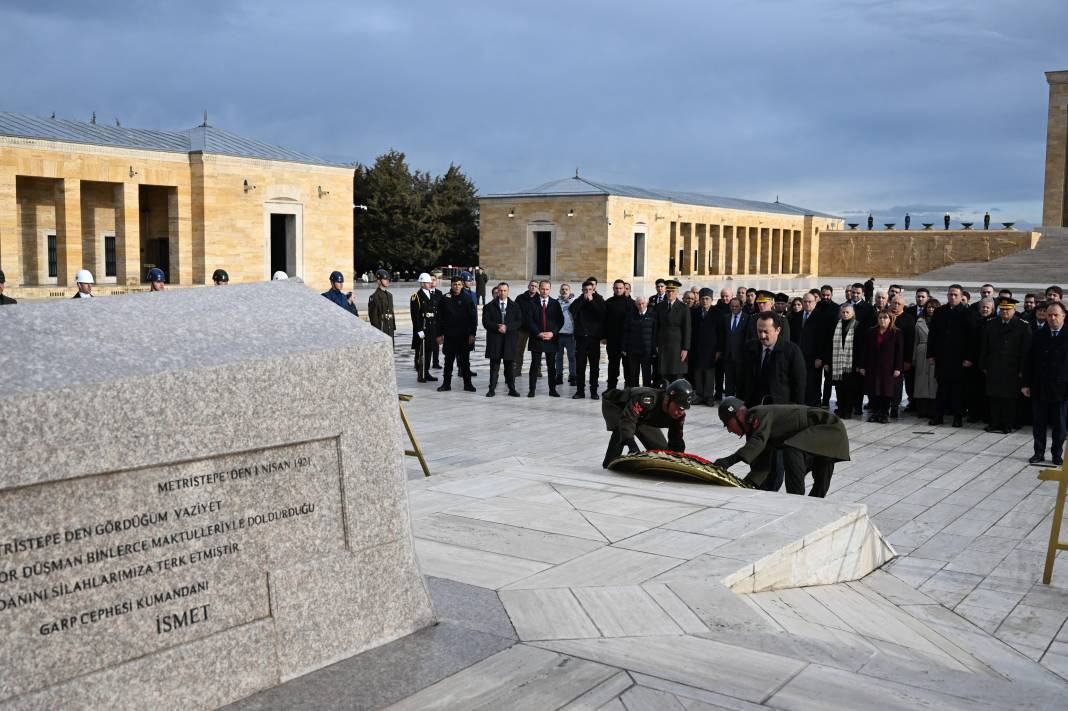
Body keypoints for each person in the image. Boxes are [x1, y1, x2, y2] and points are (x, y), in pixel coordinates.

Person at [713, 397, 849, 497]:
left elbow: (757, 442)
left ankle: (795, 500)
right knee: (818, 473)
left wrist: (729, 461)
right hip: (828, 434)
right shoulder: (762, 430)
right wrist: (744, 487)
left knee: (791, 450)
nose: (729, 430)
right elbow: (762, 466)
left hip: (829, 428)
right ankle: (809, 505)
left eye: (728, 424)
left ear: (738, 415)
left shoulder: (758, 414)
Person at [600, 379, 690, 468]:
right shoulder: (648, 399)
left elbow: (676, 438)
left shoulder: (679, 415)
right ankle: (609, 462)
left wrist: (678, 458)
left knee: (662, 453)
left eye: (683, 409)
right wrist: (632, 446)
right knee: (621, 428)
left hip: (642, 418)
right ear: (667, 399)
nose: (680, 412)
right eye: (678, 407)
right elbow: (628, 419)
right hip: (617, 405)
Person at [1022, 301, 1067, 465]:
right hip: (1040, 387)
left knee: (1060, 426)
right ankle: (1038, 453)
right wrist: (1025, 384)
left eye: (1056, 315)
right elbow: (1029, 361)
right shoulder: (1039, 334)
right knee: (1039, 424)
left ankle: (1057, 454)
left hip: (1061, 388)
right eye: (1049, 315)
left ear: (1063, 316)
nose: (1052, 318)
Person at [981, 298, 1031, 434]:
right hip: (994, 367)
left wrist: (1022, 370)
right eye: (1002, 309)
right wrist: (984, 364)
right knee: (994, 396)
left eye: (1007, 309)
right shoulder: (992, 324)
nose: (1004, 312)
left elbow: (1025, 351)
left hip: (1012, 368)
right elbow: (984, 346)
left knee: (1009, 398)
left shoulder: (1022, 325)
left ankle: (1007, 424)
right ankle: (994, 423)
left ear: (1014, 310)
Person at [928, 284, 971, 427]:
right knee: (941, 389)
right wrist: (931, 354)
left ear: (960, 296)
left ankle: (957, 418)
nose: (952, 297)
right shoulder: (940, 312)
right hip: (942, 357)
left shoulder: (967, 313)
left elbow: (972, 338)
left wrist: (968, 358)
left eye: (956, 295)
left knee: (957, 391)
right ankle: (938, 416)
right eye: (950, 294)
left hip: (959, 359)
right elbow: (932, 335)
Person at [858, 309, 903, 423]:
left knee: (886, 391)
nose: (882, 320)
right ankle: (875, 413)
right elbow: (864, 350)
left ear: (890, 319)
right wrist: (862, 365)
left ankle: (884, 413)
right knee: (874, 390)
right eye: (880, 317)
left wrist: (898, 367)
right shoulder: (871, 331)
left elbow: (899, 352)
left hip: (888, 367)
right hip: (872, 366)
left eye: (885, 317)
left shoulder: (896, 332)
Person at [435, 276, 477, 392]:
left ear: (462, 285)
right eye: (454, 284)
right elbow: (439, 318)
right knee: (448, 361)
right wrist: (439, 334)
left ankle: (468, 384)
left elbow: (473, 319)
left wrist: (472, 334)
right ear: (451, 285)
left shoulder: (468, 299)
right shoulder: (445, 299)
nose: (457, 287)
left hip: (464, 336)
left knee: (465, 361)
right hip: (449, 336)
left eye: (459, 284)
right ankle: (446, 384)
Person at [483, 282, 522, 397]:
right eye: (500, 290)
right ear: (497, 291)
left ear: (508, 291)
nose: (502, 293)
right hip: (495, 339)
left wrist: (507, 327)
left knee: (510, 366)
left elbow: (519, 322)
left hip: (509, 340)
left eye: (505, 290)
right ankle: (492, 389)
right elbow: (486, 322)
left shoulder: (515, 306)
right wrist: (497, 327)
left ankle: (512, 389)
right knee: (494, 366)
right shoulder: (489, 306)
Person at [526, 280, 563, 397]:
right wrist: (538, 333)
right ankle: (532, 390)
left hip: (551, 339)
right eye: (542, 289)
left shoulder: (555, 303)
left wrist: (553, 333)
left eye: (547, 289)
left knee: (551, 366)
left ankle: (552, 390)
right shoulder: (532, 303)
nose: (545, 291)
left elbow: (560, 320)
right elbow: (529, 320)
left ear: (550, 290)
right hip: (537, 338)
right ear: (539, 289)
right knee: (535, 366)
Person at [570, 280, 607, 399]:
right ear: (582, 290)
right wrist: (583, 299)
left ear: (593, 290)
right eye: (585, 290)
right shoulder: (579, 300)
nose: (588, 292)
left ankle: (594, 391)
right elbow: (572, 310)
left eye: (590, 290)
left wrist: (591, 301)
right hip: (581, 338)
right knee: (580, 366)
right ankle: (580, 391)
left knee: (594, 366)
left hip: (594, 339)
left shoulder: (598, 300)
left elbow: (602, 314)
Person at [828, 303, 863, 419]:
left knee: (850, 388)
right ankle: (841, 408)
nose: (845, 314)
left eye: (848, 312)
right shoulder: (835, 325)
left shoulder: (858, 326)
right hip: (837, 362)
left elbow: (861, 347)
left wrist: (859, 364)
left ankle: (848, 410)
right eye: (843, 312)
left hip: (851, 363)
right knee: (839, 387)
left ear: (853, 313)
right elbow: (829, 345)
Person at [790, 292, 824, 408]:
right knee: (800, 378)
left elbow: (822, 338)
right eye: (805, 301)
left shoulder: (820, 316)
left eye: (810, 302)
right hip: (799, 354)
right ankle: (801, 400)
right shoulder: (797, 316)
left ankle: (814, 402)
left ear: (815, 302)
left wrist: (820, 357)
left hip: (814, 356)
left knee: (813, 380)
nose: (807, 304)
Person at [655, 279, 691, 385]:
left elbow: (687, 329)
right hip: (663, 344)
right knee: (664, 373)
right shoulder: (660, 306)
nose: (670, 293)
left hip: (677, 345)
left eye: (673, 291)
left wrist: (685, 348)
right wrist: (656, 344)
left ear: (677, 292)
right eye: (668, 291)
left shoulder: (683, 308)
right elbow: (657, 327)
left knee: (677, 374)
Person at [690, 288, 721, 405]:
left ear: (712, 300)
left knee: (709, 372)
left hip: (711, 348)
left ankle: (708, 396)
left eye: (707, 299)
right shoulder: (695, 312)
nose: (704, 301)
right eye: (702, 299)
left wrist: (719, 349)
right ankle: (699, 394)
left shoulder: (717, 313)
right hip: (697, 347)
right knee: (698, 371)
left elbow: (720, 332)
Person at [604, 279, 634, 391]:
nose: (618, 290)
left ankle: (628, 389)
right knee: (613, 365)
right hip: (612, 341)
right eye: (616, 288)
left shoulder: (631, 304)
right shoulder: (608, 303)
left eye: (621, 288)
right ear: (613, 289)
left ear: (624, 289)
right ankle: (611, 388)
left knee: (628, 366)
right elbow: (604, 321)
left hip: (627, 342)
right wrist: (604, 336)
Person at [912, 299, 940, 418]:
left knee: (934, 381)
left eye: (933, 307)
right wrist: (914, 357)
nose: (930, 309)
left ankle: (934, 409)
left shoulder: (941, 321)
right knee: (921, 381)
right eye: (928, 307)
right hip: (922, 353)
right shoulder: (919, 321)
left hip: (936, 353)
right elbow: (915, 341)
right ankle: (922, 409)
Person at [888, 296, 915, 418]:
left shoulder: (908, 319)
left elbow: (910, 342)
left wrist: (907, 360)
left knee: (897, 383)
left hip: (901, 357)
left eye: (899, 303)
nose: (896, 306)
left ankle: (894, 406)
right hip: (886, 357)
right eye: (894, 303)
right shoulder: (886, 317)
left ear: (903, 305)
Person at [410, 273, 438, 383]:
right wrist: (418, 329)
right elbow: (415, 315)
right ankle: (421, 374)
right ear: (422, 283)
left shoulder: (431, 294)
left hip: (431, 327)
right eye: (427, 282)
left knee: (429, 350)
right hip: (422, 327)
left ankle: (426, 372)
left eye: (430, 282)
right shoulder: (416, 296)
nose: (430, 284)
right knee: (421, 352)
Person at [622, 296, 657, 387]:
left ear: (647, 304)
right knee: (633, 374)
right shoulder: (630, 315)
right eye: (639, 304)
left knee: (647, 374)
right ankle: (635, 394)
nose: (641, 306)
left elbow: (655, 334)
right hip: (633, 350)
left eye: (643, 304)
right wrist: (624, 348)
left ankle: (647, 393)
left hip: (647, 350)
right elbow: (626, 332)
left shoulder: (653, 315)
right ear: (636, 304)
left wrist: (654, 350)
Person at [722, 297, 749, 397]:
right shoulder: (726, 318)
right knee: (729, 380)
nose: (734, 308)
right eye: (732, 306)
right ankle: (729, 400)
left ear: (741, 307)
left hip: (740, 355)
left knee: (740, 380)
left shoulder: (747, 318)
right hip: (728, 355)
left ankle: (740, 400)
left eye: (736, 306)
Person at [514, 279, 539, 377]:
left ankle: (537, 370)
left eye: (535, 286)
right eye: (532, 285)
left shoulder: (539, 298)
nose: (533, 287)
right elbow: (515, 311)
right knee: (518, 350)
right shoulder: (520, 298)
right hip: (522, 328)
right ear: (528, 286)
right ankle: (517, 369)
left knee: (536, 351)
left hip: (535, 329)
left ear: (537, 288)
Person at [556, 283, 578, 387]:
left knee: (572, 357)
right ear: (560, 291)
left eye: (566, 289)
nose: (564, 291)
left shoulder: (574, 302)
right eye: (563, 289)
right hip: (559, 335)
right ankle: (559, 376)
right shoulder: (556, 303)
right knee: (558, 357)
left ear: (570, 291)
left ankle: (573, 376)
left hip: (570, 335)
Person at [367, 268, 396, 344]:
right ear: (379, 281)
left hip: (389, 327)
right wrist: (378, 332)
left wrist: (393, 327)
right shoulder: (374, 297)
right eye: (385, 279)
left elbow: (391, 312)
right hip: (381, 327)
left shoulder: (390, 295)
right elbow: (373, 317)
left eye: (388, 279)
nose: (387, 281)